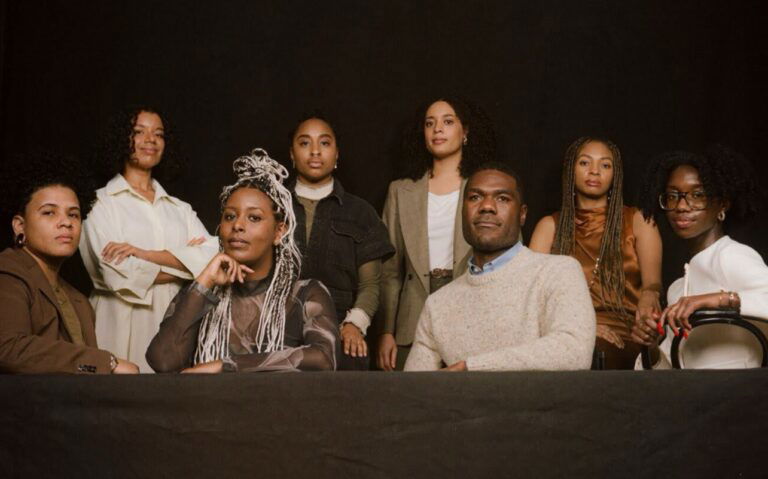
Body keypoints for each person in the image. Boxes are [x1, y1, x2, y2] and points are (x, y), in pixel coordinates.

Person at [146, 149, 339, 373]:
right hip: (208, 407)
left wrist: (225, 366)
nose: (237, 225)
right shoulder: (198, 295)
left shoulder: (305, 294)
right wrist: (204, 282)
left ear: (279, 232)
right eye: (230, 216)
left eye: (254, 217)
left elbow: (324, 358)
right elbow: (162, 362)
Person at [404, 163, 595, 371]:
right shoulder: (437, 305)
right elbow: (415, 389)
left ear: (522, 215)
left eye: (502, 198)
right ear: (462, 212)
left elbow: (574, 351)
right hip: (462, 405)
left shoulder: (558, 272)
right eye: (475, 197)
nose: (487, 206)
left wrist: (474, 367)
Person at [79, 106, 217, 373]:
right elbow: (116, 273)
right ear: (122, 139)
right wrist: (186, 269)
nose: (150, 140)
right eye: (139, 132)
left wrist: (144, 255)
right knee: (113, 406)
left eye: (158, 134)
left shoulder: (179, 209)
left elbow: (213, 258)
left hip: (174, 322)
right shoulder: (99, 203)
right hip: (117, 322)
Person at [378, 96, 497, 370]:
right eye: (430, 123)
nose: (437, 129)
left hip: (473, 315)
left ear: (465, 132)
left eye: (447, 121)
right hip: (412, 320)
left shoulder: (485, 188)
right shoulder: (400, 191)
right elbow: (390, 270)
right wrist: (386, 332)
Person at [529, 137, 662, 369]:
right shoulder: (549, 227)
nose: (594, 171)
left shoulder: (638, 220)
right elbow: (531, 298)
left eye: (605, 165)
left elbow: (652, 286)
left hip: (624, 333)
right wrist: (583, 328)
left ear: (615, 175)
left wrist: (650, 299)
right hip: (564, 330)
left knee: (592, 354)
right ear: (571, 170)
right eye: (584, 163)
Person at [0, 152, 139, 374]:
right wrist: (108, 362)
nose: (66, 222)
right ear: (20, 226)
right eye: (49, 213)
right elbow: (7, 347)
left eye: (73, 215)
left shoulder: (79, 301)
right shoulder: (7, 274)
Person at [632, 146, 768, 369]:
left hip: (743, 396)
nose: (682, 206)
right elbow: (670, 373)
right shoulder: (678, 288)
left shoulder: (731, 256)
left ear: (722, 205)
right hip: (694, 398)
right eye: (673, 196)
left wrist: (716, 300)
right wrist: (650, 345)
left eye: (697, 195)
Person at [288, 112, 393, 366]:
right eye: (305, 143)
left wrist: (354, 325)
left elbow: (371, 286)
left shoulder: (361, 212)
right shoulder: (271, 207)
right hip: (280, 325)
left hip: (341, 328)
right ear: (292, 154)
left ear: (336, 155)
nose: (315, 151)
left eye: (324, 143)